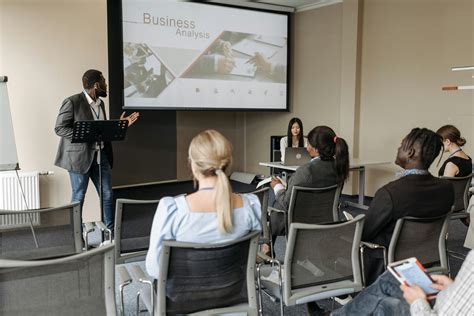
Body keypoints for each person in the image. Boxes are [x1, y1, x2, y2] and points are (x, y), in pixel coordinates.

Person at [145, 129, 262, 279]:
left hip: (183, 301)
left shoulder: (172, 211)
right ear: (227, 163)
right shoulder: (250, 206)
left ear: (193, 166)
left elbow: (156, 270)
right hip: (235, 296)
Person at [362, 128, 454, 285]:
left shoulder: (390, 193)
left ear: (410, 152)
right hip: (428, 258)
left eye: (401, 145)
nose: (398, 148)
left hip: (389, 262)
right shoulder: (446, 188)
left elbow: (365, 234)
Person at [54, 69, 140, 231]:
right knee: (78, 197)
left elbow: (101, 130)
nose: (106, 85)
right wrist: (84, 134)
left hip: (102, 157)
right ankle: (76, 234)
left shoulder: (100, 104)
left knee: (107, 195)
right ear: (96, 85)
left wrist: (119, 126)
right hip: (79, 159)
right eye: (104, 82)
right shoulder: (72, 102)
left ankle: (110, 233)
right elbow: (59, 128)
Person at [332, 250, 474, 315]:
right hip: (448, 299)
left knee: (385, 303)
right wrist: (454, 287)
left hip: (433, 310)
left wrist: (418, 302)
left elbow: (368, 229)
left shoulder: (389, 196)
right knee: (390, 277)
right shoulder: (447, 196)